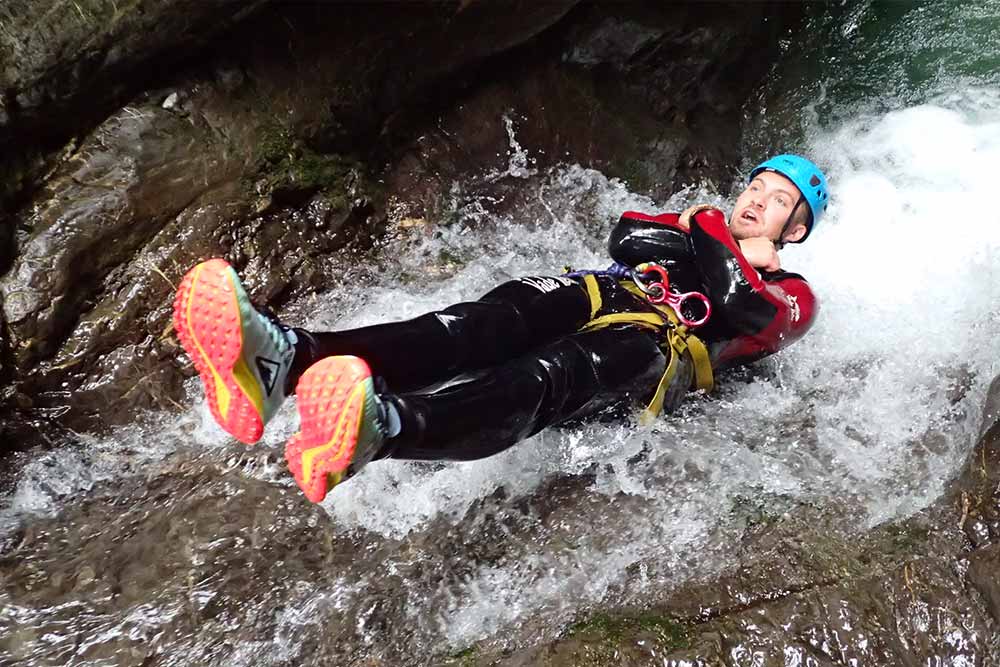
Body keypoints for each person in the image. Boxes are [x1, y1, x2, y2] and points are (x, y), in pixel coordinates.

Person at [173, 154, 828, 503]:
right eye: (756, 184)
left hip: (657, 348)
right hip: (599, 290)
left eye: (775, 199)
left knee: (549, 376)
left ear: (795, 229)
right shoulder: (698, 237)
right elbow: (626, 236)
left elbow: (743, 305)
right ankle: (284, 360)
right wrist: (696, 235)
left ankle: (379, 428)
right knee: (472, 327)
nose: (754, 198)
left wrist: (705, 224)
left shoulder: (795, 294)